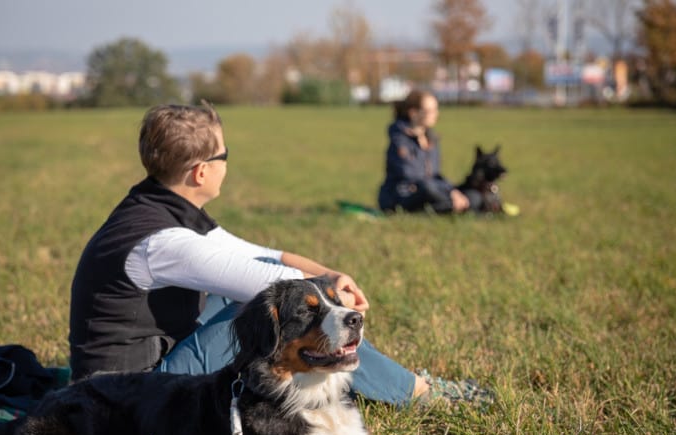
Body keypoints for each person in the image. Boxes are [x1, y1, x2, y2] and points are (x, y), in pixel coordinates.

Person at [69, 102, 490, 407]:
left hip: (128, 381)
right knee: (268, 309)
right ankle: (416, 393)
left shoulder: (159, 206)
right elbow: (273, 289)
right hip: (127, 399)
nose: (226, 164)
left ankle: (386, 383)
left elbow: (263, 254)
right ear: (201, 172)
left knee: (259, 302)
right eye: (224, 156)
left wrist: (329, 273)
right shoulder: (164, 241)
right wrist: (329, 295)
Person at [378, 89, 488, 214]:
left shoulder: (431, 140)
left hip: (432, 190)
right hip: (403, 194)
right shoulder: (399, 140)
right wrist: (446, 191)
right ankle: (451, 206)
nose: (436, 114)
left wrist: (452, 191)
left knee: (473, 195)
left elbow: (435, 175)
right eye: (431, 111)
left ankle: (448, 206)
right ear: (413, 113)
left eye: (436, 109)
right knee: (428, 189)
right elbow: (411, 176)